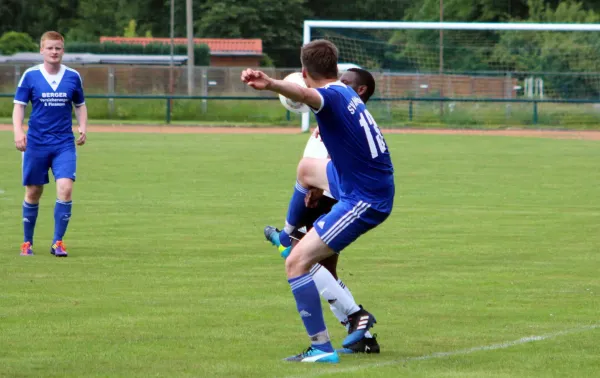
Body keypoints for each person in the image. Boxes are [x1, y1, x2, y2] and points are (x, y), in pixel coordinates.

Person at [241, 40, 395, 363]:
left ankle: (321, 347)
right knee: (306, 169)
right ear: (336, 69)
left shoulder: (329, 96)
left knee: (296, 262)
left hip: (364, 198)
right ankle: (287, 233)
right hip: (359, 178)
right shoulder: (347, 92)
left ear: (304, 72)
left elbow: (309, 96)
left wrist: (269, 83)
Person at [264, 68, 381, 355]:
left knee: (301, 258)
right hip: (326, 190)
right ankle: (362, 334)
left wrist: (319, 188)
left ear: (361, 90)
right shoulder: (344, 107)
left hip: (327, 197)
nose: (340, 84)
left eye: (347, 81)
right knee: (320, 267)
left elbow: (343, 155)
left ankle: (354, 318)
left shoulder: (344, 110)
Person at [13, 31, 87, 257]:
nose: (54, 52)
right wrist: (18, 130)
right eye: (50, 48)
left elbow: (80, 105)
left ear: (63, 50)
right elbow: (19, 105)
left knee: (65, 189)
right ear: (42, 50)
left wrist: (83, 126)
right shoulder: (30, 75)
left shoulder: (73, 76)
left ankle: (58, 242)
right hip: (36, 143)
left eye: (58, 48)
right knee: (34, 191)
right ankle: (27, 242)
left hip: (64, 143)